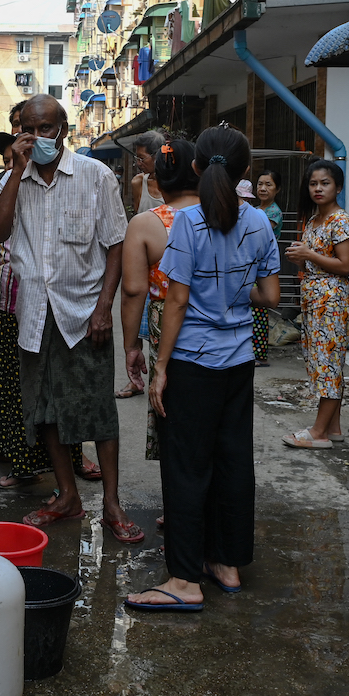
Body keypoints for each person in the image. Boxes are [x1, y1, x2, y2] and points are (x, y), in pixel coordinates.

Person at [126, 127, 281, 610]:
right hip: (238, 363)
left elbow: (176, 302)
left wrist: (161, 368)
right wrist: (235, 297)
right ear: (245, 171)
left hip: (193, 362)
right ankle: (226, 563)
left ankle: (185, 581)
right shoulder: (259, 222)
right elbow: (271, 297)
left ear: (196, 168)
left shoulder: (187, 224)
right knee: (232, 461)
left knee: (186, 468)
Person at [0, 93, 143, 543]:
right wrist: (16, 172)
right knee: (46, 409)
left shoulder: (96, 176)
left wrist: (103, 308)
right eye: (27, 129)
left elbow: (115, 244)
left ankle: (112, 503)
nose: (35, 138)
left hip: (83, 311)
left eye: (45, 129)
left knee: (97, 411)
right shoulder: (13, 180)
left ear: (64, 131)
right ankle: (67, 495)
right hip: (33, 312)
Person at [120, 139, 201, 465]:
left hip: (166, 322)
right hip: (222, 331)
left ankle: (180, 502)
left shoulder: (147, 223)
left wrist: (131, 346)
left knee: (171, 403)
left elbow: (134, 290)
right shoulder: (229, 215)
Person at [282, 159, 349, 450]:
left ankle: (319, 432)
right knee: (321, 362)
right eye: (313, 183)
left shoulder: (341, 220)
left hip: (332, 301)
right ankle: (333, 427)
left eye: (324, 183)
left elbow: (346, 265)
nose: (317, 188)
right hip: (314, 300)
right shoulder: (314, 220)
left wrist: (309, 256)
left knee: (328, 365)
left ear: (337, 186)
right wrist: (301, 256)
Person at [236, 178, 270, 368]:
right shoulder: (255, 214)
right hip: (250, 269)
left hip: (257, 269)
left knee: (258, 313)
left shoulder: (259, 216)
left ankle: (259, 353)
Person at [129, 131, 166, 214]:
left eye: (142, 158)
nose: (138, 163)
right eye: (137, 158)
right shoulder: (138, 182)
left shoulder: (174, 183)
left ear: (157, 155)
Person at [255, 171, 284, 242]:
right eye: (260, 184)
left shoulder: (274, 211)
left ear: (277, 189)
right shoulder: (255, 209)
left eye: (268, 185)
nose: (263, 189)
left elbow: (259, 231)